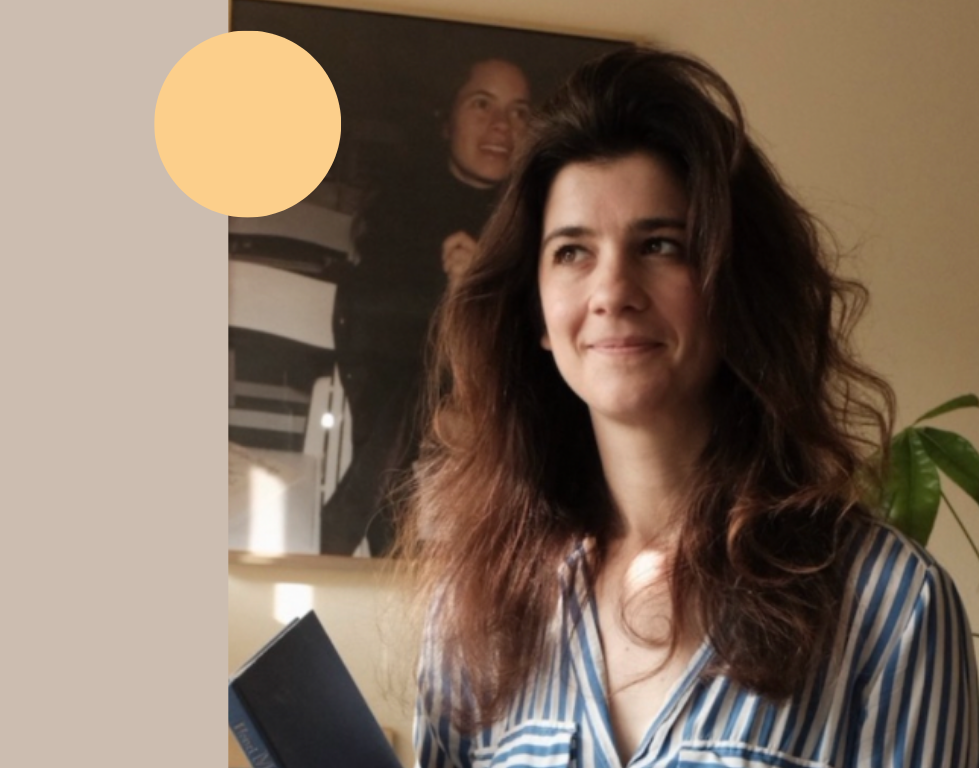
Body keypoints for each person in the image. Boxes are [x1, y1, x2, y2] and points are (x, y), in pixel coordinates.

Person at [405, 48, 978, 767]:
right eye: (573, 252)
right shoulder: (475, 610)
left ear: (732, 287)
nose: (613, 291)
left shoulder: (892, 606)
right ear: (535, 314)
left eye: (660, 245)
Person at [321, 56, 532, 556]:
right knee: (410, 388)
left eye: (519, 111)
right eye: (481, 104)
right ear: (446, 121)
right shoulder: (403, 205)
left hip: (509, 393)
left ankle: (348, 530)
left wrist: (483, 290)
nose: (502, 126)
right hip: (402, 385)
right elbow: (374, 324)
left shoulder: (538, 213)